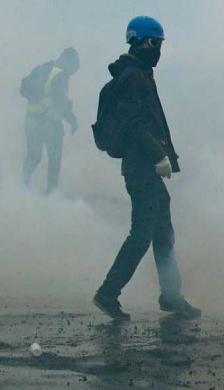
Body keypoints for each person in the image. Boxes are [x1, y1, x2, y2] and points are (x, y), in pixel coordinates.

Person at [93, 16, 200, 321]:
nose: (158, 50)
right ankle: (108, 292)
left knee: (162, 229)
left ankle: (170, 294)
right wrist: (158, 155)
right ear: (143, 42)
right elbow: (135, 124)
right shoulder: (134, 78)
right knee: (142, 233)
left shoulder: (137, 74)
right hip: (142, 166)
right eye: (156, 44)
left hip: (144, 166)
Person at [21, 47, 80, 192]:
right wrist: (72, 120)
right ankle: (51, 193)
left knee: (33, 155)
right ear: (69, 62)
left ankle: (21, 184)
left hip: (31, 120)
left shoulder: (44, 68)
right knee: (55, 158)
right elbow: (61, 103)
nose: (72, 73)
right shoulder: (60, 75)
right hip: (50, 122)